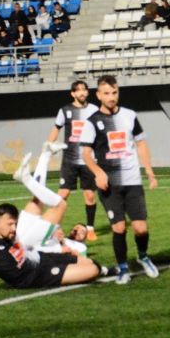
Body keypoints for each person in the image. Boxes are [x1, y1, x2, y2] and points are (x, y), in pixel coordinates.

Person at [0, 146, 111, 304]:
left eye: (15, 224)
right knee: (92, 268)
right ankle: (29, 174)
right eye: (10, 224)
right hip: (36, 275)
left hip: (41, 256)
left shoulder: (12, 234)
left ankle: (44, 156)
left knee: (38, 200)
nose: (13, 228)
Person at [81, 75, 160, 285]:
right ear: (98, 95)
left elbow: (141, 144)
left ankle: (143, 257)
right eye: (106, 93)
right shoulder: (92, 122)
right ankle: (123, 268)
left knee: (141, 228)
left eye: (114, 92)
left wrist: (150, 172)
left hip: (133, 180)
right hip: (110, 184)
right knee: (119, 228)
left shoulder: (130, 115)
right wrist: (98, 172)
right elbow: (86, 154)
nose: (111, 97)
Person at [48, 80, 101, 241]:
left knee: (90, 195)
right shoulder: (65, 110)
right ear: (73, 93)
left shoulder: (94, 110)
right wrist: (48, 146)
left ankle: (90, 229)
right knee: (62, 195)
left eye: (84, 90)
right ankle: (52, 227)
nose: (82, 93)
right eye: (78, 90)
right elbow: (56, 128)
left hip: (88, 159)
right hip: (69, 159)